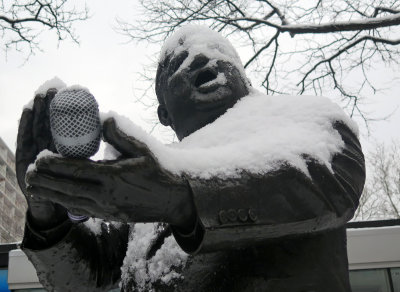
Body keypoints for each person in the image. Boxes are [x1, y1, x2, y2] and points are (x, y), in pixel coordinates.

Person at [16, 26, 365, 292]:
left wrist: (180, 196)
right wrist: (48, 211)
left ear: (243, 77)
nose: (199, 54)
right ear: (164, 113)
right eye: (178, 61)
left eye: (216, 49)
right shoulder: (143, 175)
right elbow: (83, 279)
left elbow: (330, 186)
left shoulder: (305, 119)